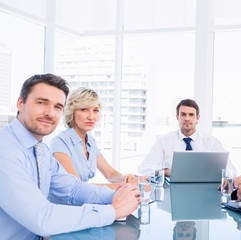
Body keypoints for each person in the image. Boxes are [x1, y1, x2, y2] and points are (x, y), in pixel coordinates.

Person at [0, 74, 141, 239]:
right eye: (41, 102)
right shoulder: (5, 150)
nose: (50, 113)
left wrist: (121, 194)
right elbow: (42, 218)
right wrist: (113, 210)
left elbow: (74, 189)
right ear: (20, 104)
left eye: (58, 107)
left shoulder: (42, 150)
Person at [50, 87, 136, 191]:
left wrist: (126, 179)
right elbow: (78, 187)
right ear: (71, 112)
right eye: (84, 109)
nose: (91, 117)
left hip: (84, 202)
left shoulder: (90, 141)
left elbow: (110, 173)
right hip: (66, 205)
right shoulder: (60, 142)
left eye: (95, 110)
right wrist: (125, 187)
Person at [138, 99, 235, 177]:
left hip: (203, 192)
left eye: (191, 115)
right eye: (183, 114)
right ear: (177, 117)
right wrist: (165, 172)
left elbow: (232, 171)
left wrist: (212, 173)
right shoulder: (163, 142)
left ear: (197, 118)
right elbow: (144, 169)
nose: (187, 118)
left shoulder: (211, 143)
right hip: (171, 195)